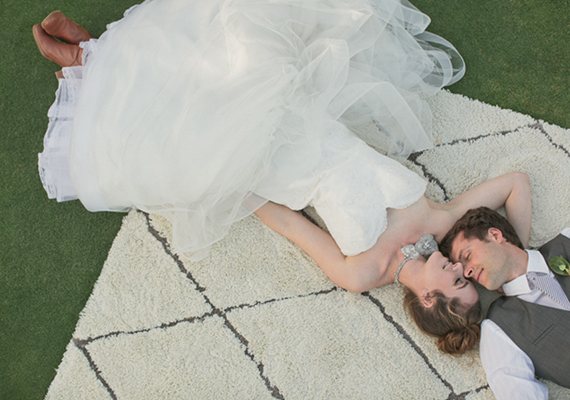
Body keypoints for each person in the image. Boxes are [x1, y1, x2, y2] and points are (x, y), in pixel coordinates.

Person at [33, 2, 529, 353]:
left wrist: (229, 183)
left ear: (429, 298)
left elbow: (294, 227)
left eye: (458, 281)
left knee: (190, 118)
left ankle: (84, 61)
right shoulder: (441, 225)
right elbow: (514, 182)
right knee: (233, 51)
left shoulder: (362, 275)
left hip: (277, 164)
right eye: (467, 274)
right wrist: (517, 266)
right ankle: (92, 52)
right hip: (314, 114)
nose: (460, 267)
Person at [440, 207, 570, 399]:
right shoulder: (498, 330)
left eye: (467, 256)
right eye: (464, 275)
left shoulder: (567, 240)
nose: (467, 272)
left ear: (495, 235)